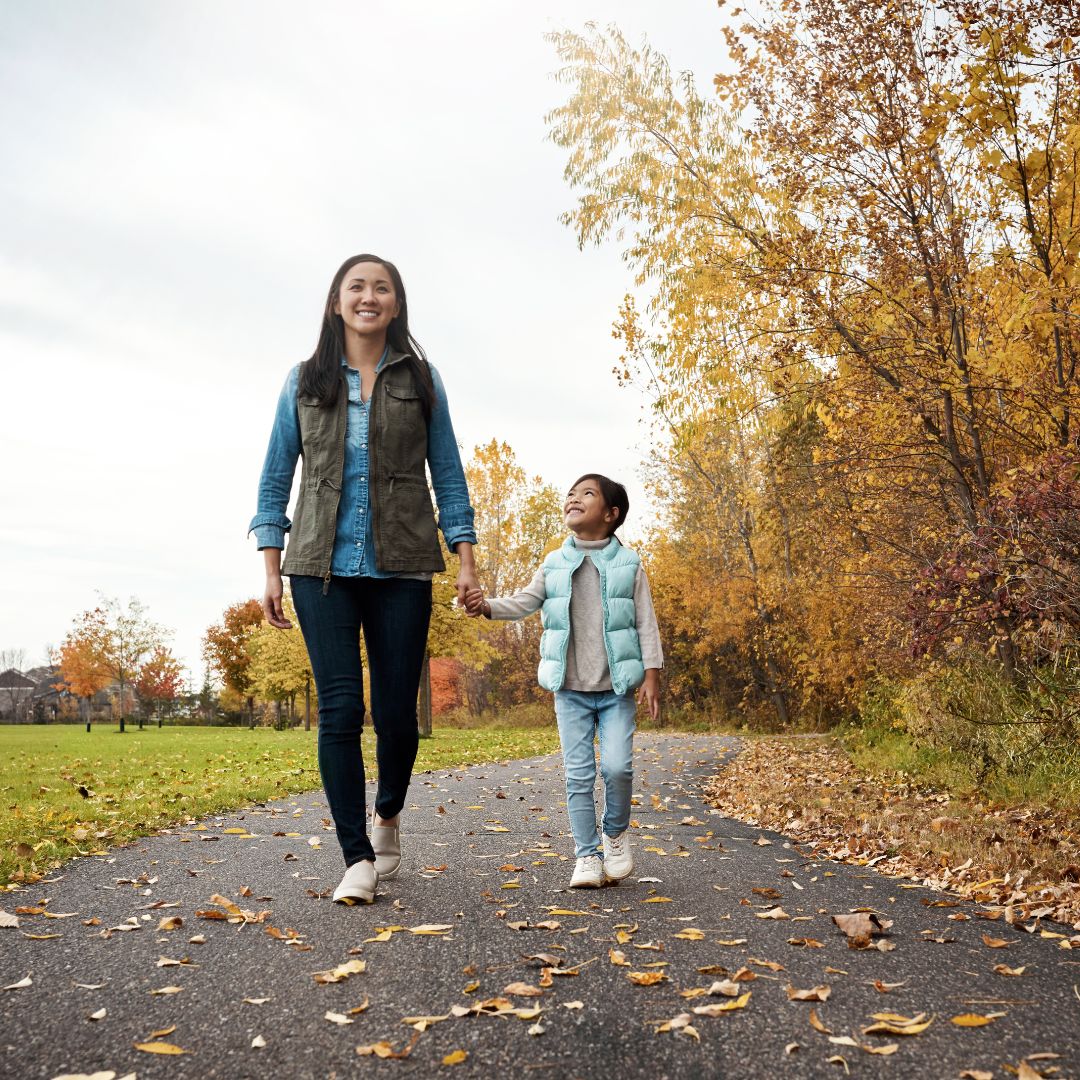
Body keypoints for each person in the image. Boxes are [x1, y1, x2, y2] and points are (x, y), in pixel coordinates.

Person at [249, 254, 478, 905]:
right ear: (336, 302)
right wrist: (270, 565)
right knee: (341, 709)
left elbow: (450, 474)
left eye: (381, 287)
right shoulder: (304, 382)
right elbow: (274, 479)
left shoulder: (422, 381)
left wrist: (466, 559)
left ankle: (388, 816)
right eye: (357, 286)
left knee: (396, 718)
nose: (368, 296)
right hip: (319, 565)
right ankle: (355, 858)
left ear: (395, 304)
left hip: (404, 562)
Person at [464, 474, 662, 888]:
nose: (573, 497)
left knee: (618, 768)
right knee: (577, 775)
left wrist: (652, 674)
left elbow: (646, 621)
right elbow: (525, 602)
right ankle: (587, 856)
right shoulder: (555, 562)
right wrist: (487, 608)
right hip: (569, 691)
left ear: (611, 514)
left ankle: (614, 833)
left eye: (586, 493)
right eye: (570, 491)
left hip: (616, 689)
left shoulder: (629, 563)